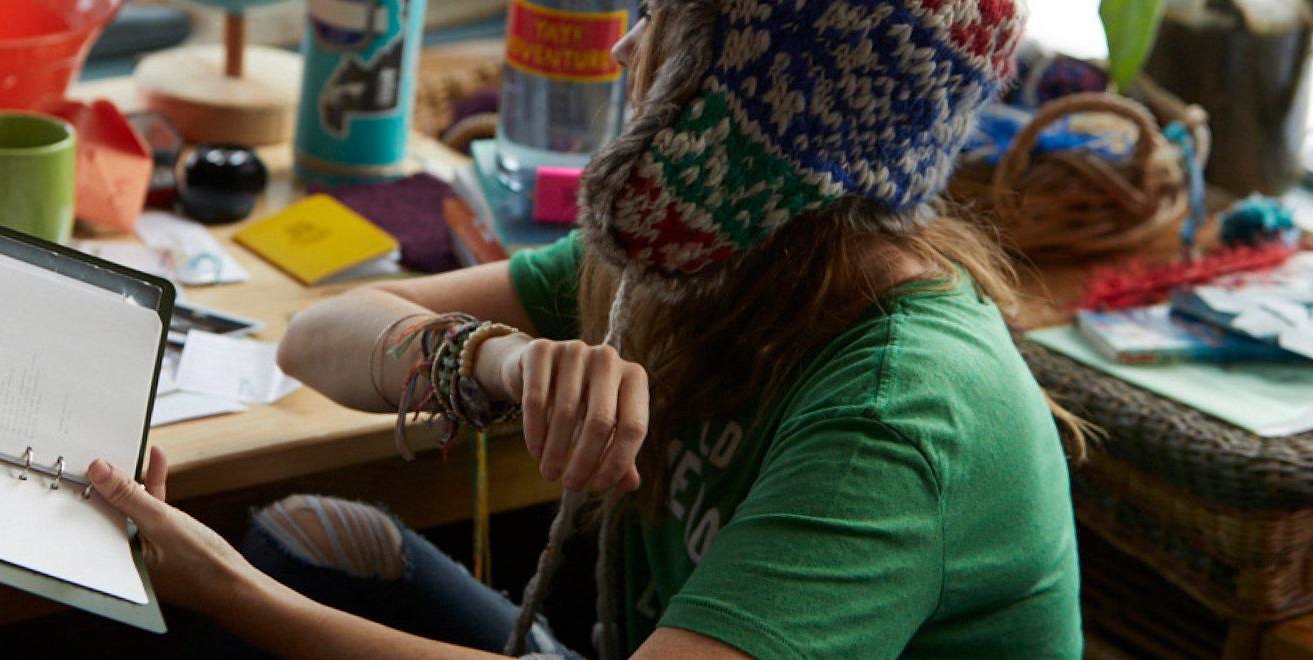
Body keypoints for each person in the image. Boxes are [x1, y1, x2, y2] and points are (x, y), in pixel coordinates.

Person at [87, 1, 1086, 656]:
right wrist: (500, 358)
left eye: (663, 21)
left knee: (249, 594)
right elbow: (316, 339)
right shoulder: (706, 263)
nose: (622, 46)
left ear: (741, 97)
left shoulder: (898, 411)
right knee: (306, 541)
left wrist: (235, 598)